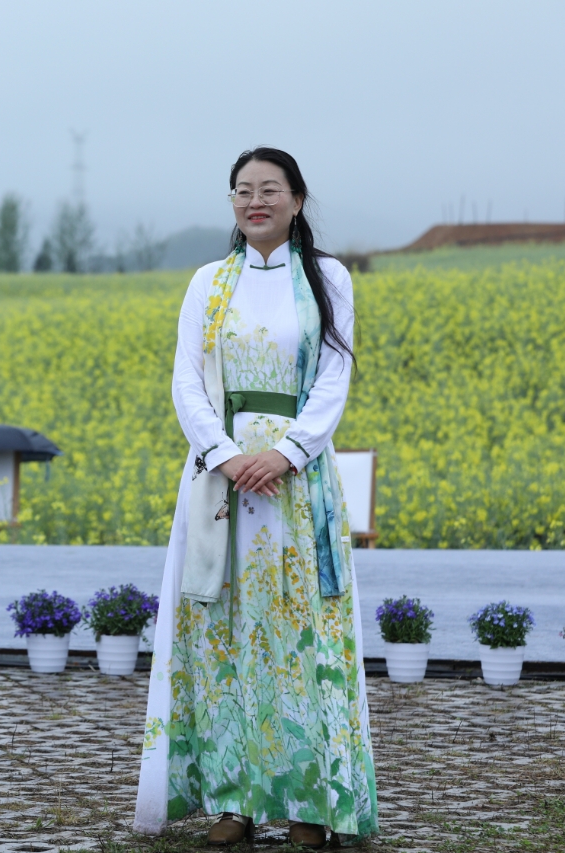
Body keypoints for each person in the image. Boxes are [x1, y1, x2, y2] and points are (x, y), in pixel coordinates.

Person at [133, 147, 378, 848]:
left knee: (301, 632)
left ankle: (309, 803)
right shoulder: (209, 282)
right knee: (223, 632)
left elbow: (333, 376)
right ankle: (232, 799)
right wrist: (226, 455)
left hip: (297, 478)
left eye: (270, 189)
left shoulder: (327, 277)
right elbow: (186, 380)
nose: (255, 202)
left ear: (297, 200)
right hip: (221, 479)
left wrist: (287, 452)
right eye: (243, 191)